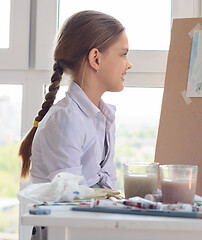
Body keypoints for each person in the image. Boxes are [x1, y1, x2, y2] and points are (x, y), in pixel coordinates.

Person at [18, 10, 132, 190]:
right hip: (69, 218)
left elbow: (106, 188)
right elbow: (73, 199)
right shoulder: (66, 119)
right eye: (123, 54)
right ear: (96, 58)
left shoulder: (104, 117)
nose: (129, 64)